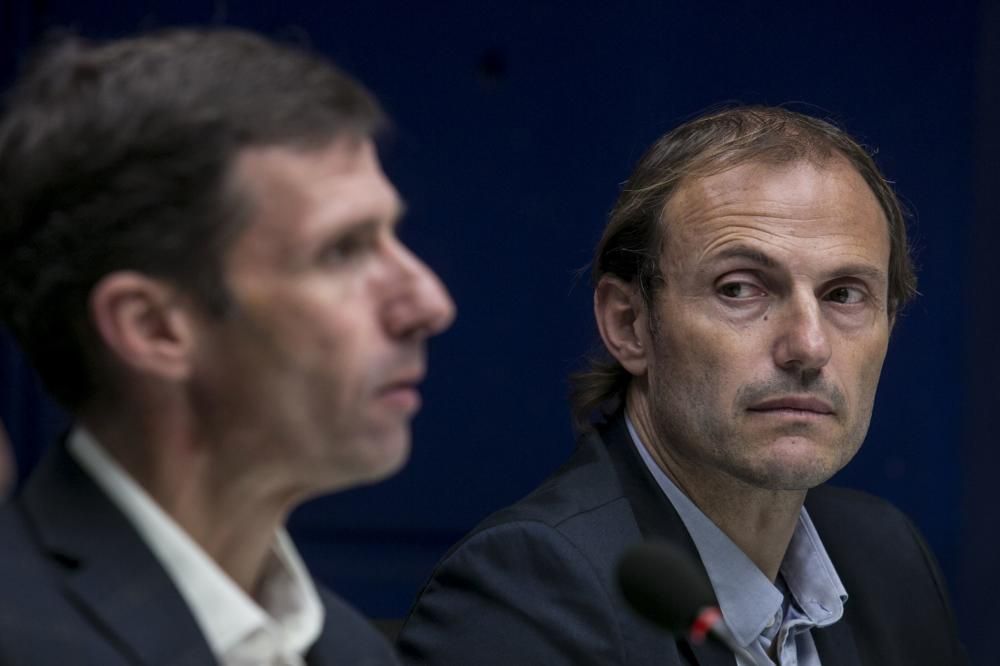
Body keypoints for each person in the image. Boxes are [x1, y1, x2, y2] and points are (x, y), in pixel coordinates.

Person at [397, 107, 964, 665]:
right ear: (629, 324)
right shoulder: (529, 590)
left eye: (843, 294)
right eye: (741, 289)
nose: (809, 347)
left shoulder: (885, 556)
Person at [0, 28, 454, 665]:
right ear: (154, 328)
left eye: (391, 237)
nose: (430, 302)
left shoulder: (352, 651)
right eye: (343, 250)